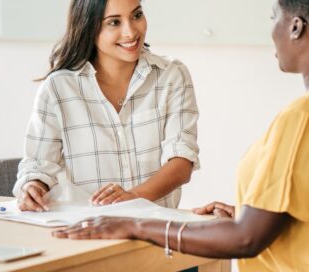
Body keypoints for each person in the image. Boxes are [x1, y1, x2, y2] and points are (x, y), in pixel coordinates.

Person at [52, 0, 309, 271]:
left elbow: (246, 240)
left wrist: (135, 226)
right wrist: (249, 215)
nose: (271, 29)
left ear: (295, 27)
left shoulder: (306, 117)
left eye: (273, 16)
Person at [13, 0, 200, 212]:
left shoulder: (171, 74)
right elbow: (37, 165)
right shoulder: (58, 88)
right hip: (86, 229)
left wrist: (133, 197)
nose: (130, 32)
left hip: (155, 230)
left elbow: (182, 161)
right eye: (114, 22)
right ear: (88, 27)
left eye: (136, 15)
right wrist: (33, 186)